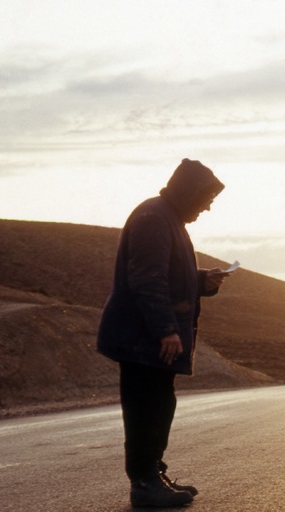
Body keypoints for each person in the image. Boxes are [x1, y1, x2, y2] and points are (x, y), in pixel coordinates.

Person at [97, 158, 227, 508]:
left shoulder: (168, 218)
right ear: (188, 192)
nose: (208, 206)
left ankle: (152, 473)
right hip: (141, 339)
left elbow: (168, 273)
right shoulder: (154, 218)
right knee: (144, 409)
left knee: (158, 405)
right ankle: (143, 482)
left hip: (148, 339)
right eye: (205, 198)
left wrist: (202, 280)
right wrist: (167, 329)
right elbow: (147, 279)